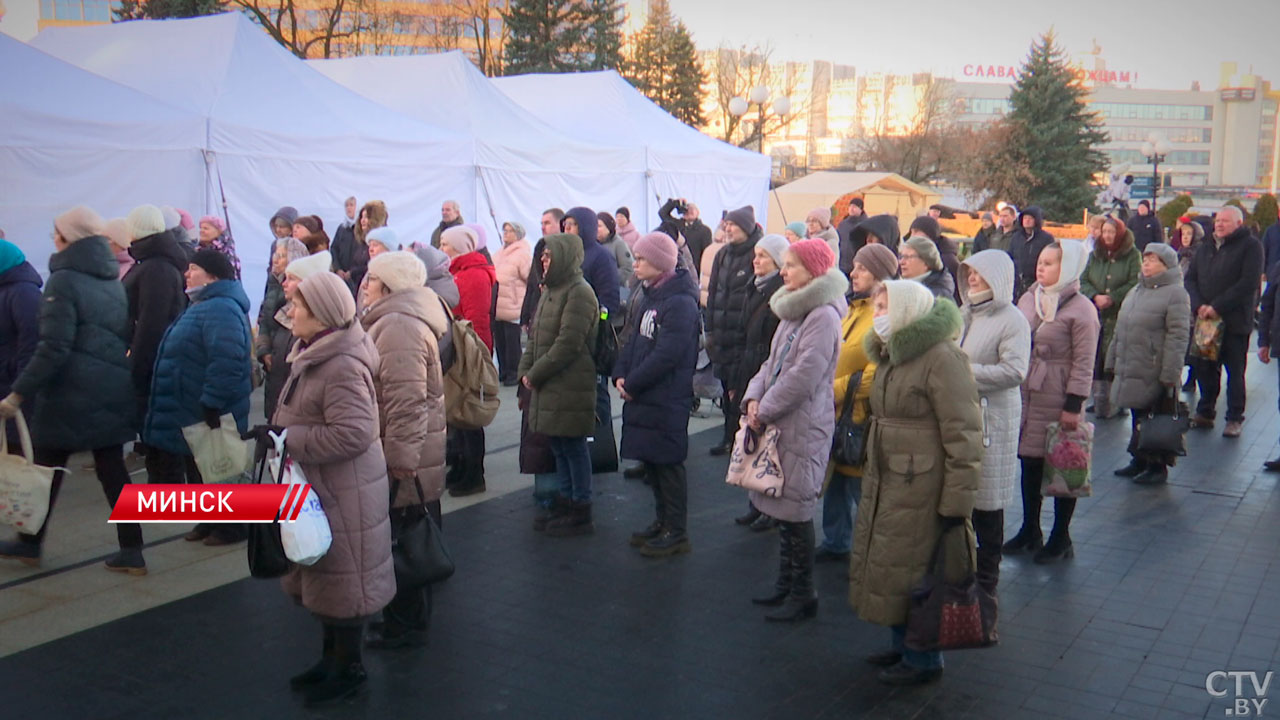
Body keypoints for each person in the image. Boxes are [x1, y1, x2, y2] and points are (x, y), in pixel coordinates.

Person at [269, 271, 394, 707]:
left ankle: (349, 668)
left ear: (321, 314)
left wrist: (291, 441)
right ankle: (331, 661)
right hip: (328, 488)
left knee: (345, 584)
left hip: (346, 491)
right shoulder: (315, 351)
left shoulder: (339, 364)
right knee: (327, 580)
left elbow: (356, 433)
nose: (291, 313)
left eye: (299, 306)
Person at [849, 279, 981, 686]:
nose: (879, 311)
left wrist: (956, 504)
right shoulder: (892, 354)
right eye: (877, 303)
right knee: (892, 563)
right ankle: (901, 643)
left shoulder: (942, 357)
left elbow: (965, 433)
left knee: (918, 567)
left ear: (908, 308)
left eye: (886, 304)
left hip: (922, 482)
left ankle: (923, 659)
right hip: (890, 475)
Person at [0, 207, 141, 573]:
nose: (53, 237)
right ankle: (132, 548)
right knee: (109, 467)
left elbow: (53, 347)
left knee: (48, 463)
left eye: (56, 232)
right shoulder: (110, 278)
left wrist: (17, 394)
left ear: (68, 239)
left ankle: (30, 543)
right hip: (109, 385)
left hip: (69, 391)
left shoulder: (63, 281)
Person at [743, 239, 846, 623]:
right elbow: (771, 364)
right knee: (784, 511)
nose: (783, 271)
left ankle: (804, 593)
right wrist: (754, 399)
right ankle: (786, 584)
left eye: (791, 265)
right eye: (784, 264)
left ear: (814, 271)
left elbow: (804, 376)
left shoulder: (823, 316)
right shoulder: (793, 310)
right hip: (780, 422)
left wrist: (763, 409)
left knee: (797, 510)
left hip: (803, 426)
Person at [359, 251, 449, 649]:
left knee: (404, 539)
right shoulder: (394, 319)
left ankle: (406, 623)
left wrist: (399, 462)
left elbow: (407, 401)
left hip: (404, 456)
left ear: (390, 286)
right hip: (410, 451)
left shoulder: (397, 325)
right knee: (404, 535)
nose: (364, 285)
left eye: (371, 279)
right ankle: (404, 618)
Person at [144, 249, 253, 546]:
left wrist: (212, 400)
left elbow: (227, 358)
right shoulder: (203, 304)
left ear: (213, 275)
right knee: (203, 466)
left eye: (193, 268)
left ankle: (233, 527)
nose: (187, 274)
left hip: (208, 405)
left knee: (219, 466)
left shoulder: (220, 308)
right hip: (192, 402)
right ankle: (209, 520)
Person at [1004, 240, 1098, 564]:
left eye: (1049, 263)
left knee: (1063, 463)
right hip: (1028, 390)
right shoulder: (1030, 299)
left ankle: (1061, 536)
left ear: (1068, 268)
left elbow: (1085, 362)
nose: (1040, 268)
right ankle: (1030, 530)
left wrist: (1073, 404)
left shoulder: (1081, 309)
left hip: (1059, 392)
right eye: (1040, 262)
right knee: (1029, 460)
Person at [614, 232, 700, 556]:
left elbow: (668, 354)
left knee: (668, 466)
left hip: (665, 397)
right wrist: (620, 374)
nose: (635, 265)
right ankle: (662, 521)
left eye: (641, 259)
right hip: (647, 395)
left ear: (661, 263)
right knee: (653, 464)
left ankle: (676, 531)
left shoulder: (680, 303)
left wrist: (633, 383)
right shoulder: (650, 295)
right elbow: (634, 340)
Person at [817, 243, 898, 562]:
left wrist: (831, 389)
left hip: (860, 417)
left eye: (862, 268)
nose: (854, 272)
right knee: (835, 479)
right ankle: (836, 541)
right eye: (855, 266)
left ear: (879, 273)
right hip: (836, 415)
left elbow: (877, 371)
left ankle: (869, 550)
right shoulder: (852, 308)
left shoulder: (882, 315)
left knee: (859, 487)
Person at [957, 250, 1030, 594]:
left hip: (992, 422)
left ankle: (987, 583)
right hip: (962, 418)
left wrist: (962, 373)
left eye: (980, 274)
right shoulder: (964, 313)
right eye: (969, 272)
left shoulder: (1012, 319)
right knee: (965, 500)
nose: (972, 279)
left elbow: (1015, 371)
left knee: (988, 503)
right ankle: (964, 573)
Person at [520, 233, 600, 536]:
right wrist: (525, 370)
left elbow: (569, 342)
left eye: (550, 255)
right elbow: (536, 337)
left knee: (573, 446)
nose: (544, 259)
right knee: (559, 444)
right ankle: (566, 501)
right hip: (551, 382)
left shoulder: (579, 292)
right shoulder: (552, 291)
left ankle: (581, 508)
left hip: (569, 381)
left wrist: (535, 373)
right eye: (543, 255)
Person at [1107, 243, 1191, 485]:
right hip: (1133, 364)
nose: (1146, 264)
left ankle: (1157, 465)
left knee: (1155, 416)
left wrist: (1170, 372)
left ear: (1166, 266)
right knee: (1137, 413)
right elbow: (1121, 328)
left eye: (1153, 260)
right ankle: (1139, 459)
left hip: (1155, 366)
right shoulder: (1137, 290)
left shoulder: (1176, 294)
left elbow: (1178, 336)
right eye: (1145, 259)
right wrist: (1112, 357)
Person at [1186, 206, 1263, 437]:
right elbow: (1190, 279)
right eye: (1218, 220)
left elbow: (1248, 283)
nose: (1219, 225)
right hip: (1205, 321)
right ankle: (1205, 411)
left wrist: (1217, 306)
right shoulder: (1205, 248)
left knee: (1235, 372)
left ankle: (1234, 418)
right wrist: (1199, 305)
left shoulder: (1251, 247)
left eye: (1225, 221)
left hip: (1234, 321)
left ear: (1239, 223)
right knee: (1205, 368)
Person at [732, 234, 788, 532]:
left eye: (763, 256)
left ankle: (772, 509)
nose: (756, 260)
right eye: (756, 254)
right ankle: (756, 502)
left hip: (768, 372)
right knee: (755, 444)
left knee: (772, 447)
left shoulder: (781, 294)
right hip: (751, 369)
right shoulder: (755, 288)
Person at [122, 204, 188, 444]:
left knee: (160, 449)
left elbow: (151, 324)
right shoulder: (152, 262)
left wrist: (135, 370)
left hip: (153, 366)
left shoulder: (155, 267)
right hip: (156, 362)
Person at [440, 225, 496, 497]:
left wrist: (480, 358)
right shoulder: (458, 272)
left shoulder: (473, 275)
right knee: (457, 411)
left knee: (470, 413)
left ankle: (475, 473)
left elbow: (479, 319)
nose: (442, 250)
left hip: (469, 353)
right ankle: (462, 465)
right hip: (457, 351)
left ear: (460, 247)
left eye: (446, 245)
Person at [705, 205, 763, 456]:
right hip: (722, 333)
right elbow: (714, 291)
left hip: (743, 335)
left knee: (742, 390)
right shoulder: (723, 254)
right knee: (728, 389)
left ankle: (741, 439)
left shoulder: (757, 253)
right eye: (726, 224)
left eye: (733, 225)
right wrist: (710, 329)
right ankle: (728, 437)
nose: (727, 229)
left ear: (747, 228)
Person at [1079, 216, 1140, 420]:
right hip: (1096, 312)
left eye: (1111, 232)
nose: (1107, 236)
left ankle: (1119, 401)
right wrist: (1094, 296)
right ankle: (1100, 399)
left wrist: (1113, 298)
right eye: (1104, 232)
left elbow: (1134, 281)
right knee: (1096, 356)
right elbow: (1084, 278)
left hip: (1120, 315)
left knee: (1116, 357)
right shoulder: (1095, 254)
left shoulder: (1132, 255)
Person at [257, 238, 310, 420]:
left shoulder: (301, 295)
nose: (275, 259)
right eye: (275, 254)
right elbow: (263, 320)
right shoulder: (273, 285)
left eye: (281, 256)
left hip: (285, 357)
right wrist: (263, 350)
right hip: (274, 357)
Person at [0, 239, 42, 436]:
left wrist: (19, 390)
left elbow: (32, 343)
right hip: (7, 383)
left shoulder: (23, 292)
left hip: (13, 388)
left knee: (17, 454)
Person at [494, 221, 532, 387]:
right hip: (498, 304)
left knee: (512, 341)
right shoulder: (499, 253)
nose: (506, 233)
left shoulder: (522, 254)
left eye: (510, 231)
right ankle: (503, 371)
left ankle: (514, 373)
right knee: (500, 340)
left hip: (513, 303)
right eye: (505, 230)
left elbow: (529, 277)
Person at [907, 216, 960, 303]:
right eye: (911, 232)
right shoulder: (913, 254)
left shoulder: (948, 260)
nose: (912, 236)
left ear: (930, 234)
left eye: (916, 232)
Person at [1009, 205, 1054, 297]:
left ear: (1036, 220)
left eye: (1030, 218)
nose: (1027, 220)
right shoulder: (1016, 237)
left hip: (1036, 283)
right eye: (1025, 218)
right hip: (1016, 283)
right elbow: (1011, 256)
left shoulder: (1046, 239)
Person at [658, 198, 711, 269]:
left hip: (695, 269)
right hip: (678, 266)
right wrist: (675, 203)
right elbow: (662, 213)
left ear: (698, 213)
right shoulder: (677, 225)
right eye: (688, 209)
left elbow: (707, 253)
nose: (689, 211)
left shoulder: (704, 230)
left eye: (692, 209)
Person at [330, 196, 368, 295]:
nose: (349, 208)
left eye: (352, 205)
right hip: (341, 276)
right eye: (346, 205)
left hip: (358, 278)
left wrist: (352, 272)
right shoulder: (342, 228)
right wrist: (338, 269)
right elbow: (334, 248)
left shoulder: (363, 229)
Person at [899, 236, 956, 301]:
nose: (901, 262)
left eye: (908, 257)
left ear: (926, 263)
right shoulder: (901, 286)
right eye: (901, 257)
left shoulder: (937, 296)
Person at [597, 211, 635, 298]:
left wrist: (608, 278)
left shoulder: (618, 244)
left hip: (615, 293)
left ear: (608, 228)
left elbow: (628, 268)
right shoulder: (594, 245)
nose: (596, 229)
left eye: (599, 226)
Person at [196, 215, 241, 279]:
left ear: (219, 232)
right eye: (201, 228)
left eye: (206, 228)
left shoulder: (227, 254)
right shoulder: (197, 250)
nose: (201, 231)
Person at [836, 197, 867, 276]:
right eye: (850, 206)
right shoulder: (843, 224)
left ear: (861, 209)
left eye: (855, 207)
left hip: (857, 264)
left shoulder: (866, 225)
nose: (852, 209)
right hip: (842, 264)